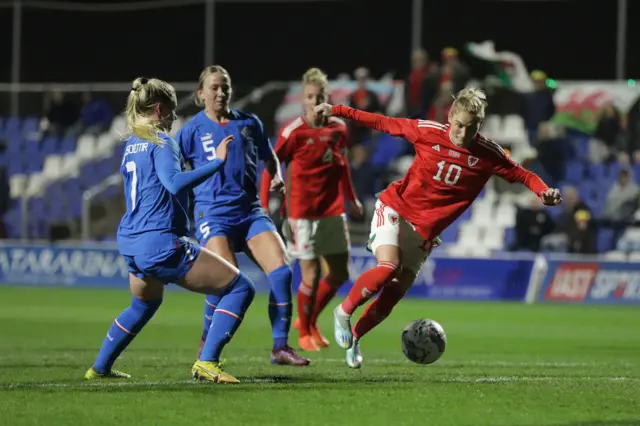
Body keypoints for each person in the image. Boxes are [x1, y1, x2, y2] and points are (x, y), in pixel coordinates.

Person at [314, 87, 562, 368]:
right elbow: (381, 122)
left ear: (479, 125)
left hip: (424, 233)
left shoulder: (488, 153)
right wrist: (337, 110)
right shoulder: (427, 131)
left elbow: (521, 173)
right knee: (389, 267)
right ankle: (343, 311)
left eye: (471, 127)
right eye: (459, 125)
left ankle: (355, 339)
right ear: (450, 116)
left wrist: (543, 191)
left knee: (392, 296)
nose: (463, 132)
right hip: (395, 208)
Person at [85, 77, 255, 384]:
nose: (174, 117)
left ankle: (99, 368)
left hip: (132, 241)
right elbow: (173, 183)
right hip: (159, 240)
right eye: (172, 110)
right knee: (240, 288)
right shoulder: (161, 141)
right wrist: (216, 162)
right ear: (160, 109)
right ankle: (207, 361)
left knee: (143, 304)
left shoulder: (133, 144)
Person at [176, 66, 309, 366]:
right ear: (200, 94)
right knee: (226, 280)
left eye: (225, 87)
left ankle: (280, 348)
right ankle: (208, 345)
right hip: (213, 214)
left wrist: (276, 175)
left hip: (250, 212)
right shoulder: (191, 131)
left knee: (282, 271)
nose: (221, 92)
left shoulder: (249, 123)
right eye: (214, 88)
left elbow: (268, 154)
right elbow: (172, 173)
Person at [260, 68, 363, 352]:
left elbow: (341, 166)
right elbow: (270, 164)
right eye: (310, 96)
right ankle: (304, 332)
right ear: (303, 100)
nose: (315, 101)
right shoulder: (293, 132)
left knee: (340, 273)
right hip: (302, 214)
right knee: (311, 274)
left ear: (327, 98)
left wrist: (351, 199)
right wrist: (264, 203)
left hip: (332, 211)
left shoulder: (339, 130)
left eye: (320, 96)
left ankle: (310, 320)